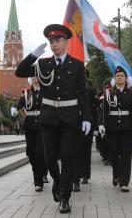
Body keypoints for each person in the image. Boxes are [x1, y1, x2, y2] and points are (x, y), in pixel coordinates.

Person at [15, 24, 91, 214]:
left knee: (67, 157)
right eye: (51, 41)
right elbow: (20, 72)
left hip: (69, 119)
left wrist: (87, 118)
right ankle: (57, 180)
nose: (54, 44)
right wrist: (33, 55)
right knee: (49, 158)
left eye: (57, 40)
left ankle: (65, 197)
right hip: (48, 118)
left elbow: (82, 94)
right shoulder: (43, 64)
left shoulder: (76, 65)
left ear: (66, 41)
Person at [99, 66, 132, 192]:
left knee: (126, 155)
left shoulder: (131, 94)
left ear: (126, 78)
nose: (120, 77)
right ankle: (116, 173)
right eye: (117, 76)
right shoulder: (109, 93)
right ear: (114, 79)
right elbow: (104, 111)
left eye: (122, 75)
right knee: (113, 155)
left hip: (126, 128)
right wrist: (101, 124)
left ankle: (124, 182)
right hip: (112, 128)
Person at [11, 77, 48, 192]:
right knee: (30, 152)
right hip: (30, 125)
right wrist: (14, 108)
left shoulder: (47, 91)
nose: (35, 77)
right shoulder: (26, 92)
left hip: (43, 124)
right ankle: (39, 171)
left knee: (39, 152)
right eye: (33, 75)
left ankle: (38, 181)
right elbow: (19, 104)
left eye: (37, 75)